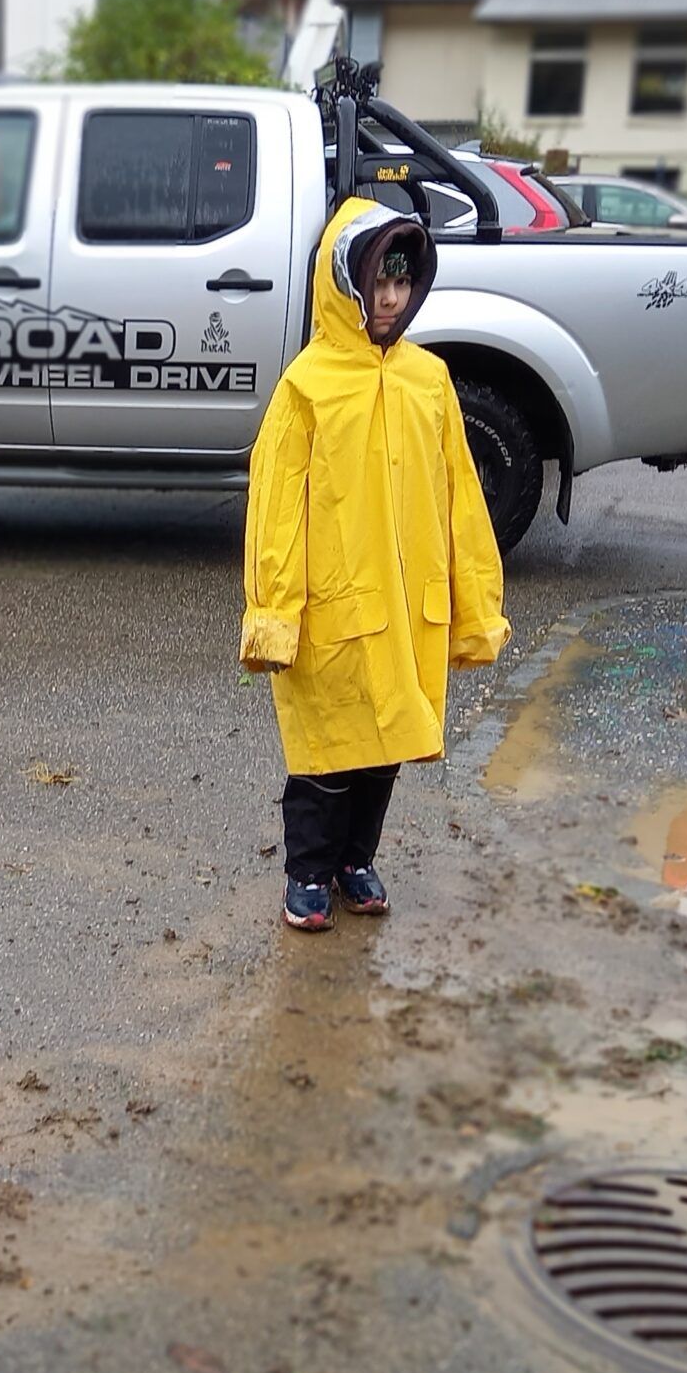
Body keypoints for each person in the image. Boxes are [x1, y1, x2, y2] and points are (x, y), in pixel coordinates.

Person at [240, 200, 510, 932]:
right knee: (326, 751)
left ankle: (357, 858)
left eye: (401, 283)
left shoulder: (430, 382)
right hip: (333, 607)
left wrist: (475, 606)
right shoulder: (308, 386)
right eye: (376, 282)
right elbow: (275, 513)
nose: (389, 299)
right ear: (344, 283)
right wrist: (273, 614)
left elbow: (463, 502)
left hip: (406, 607)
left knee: (385, 745)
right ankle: (309, 870)